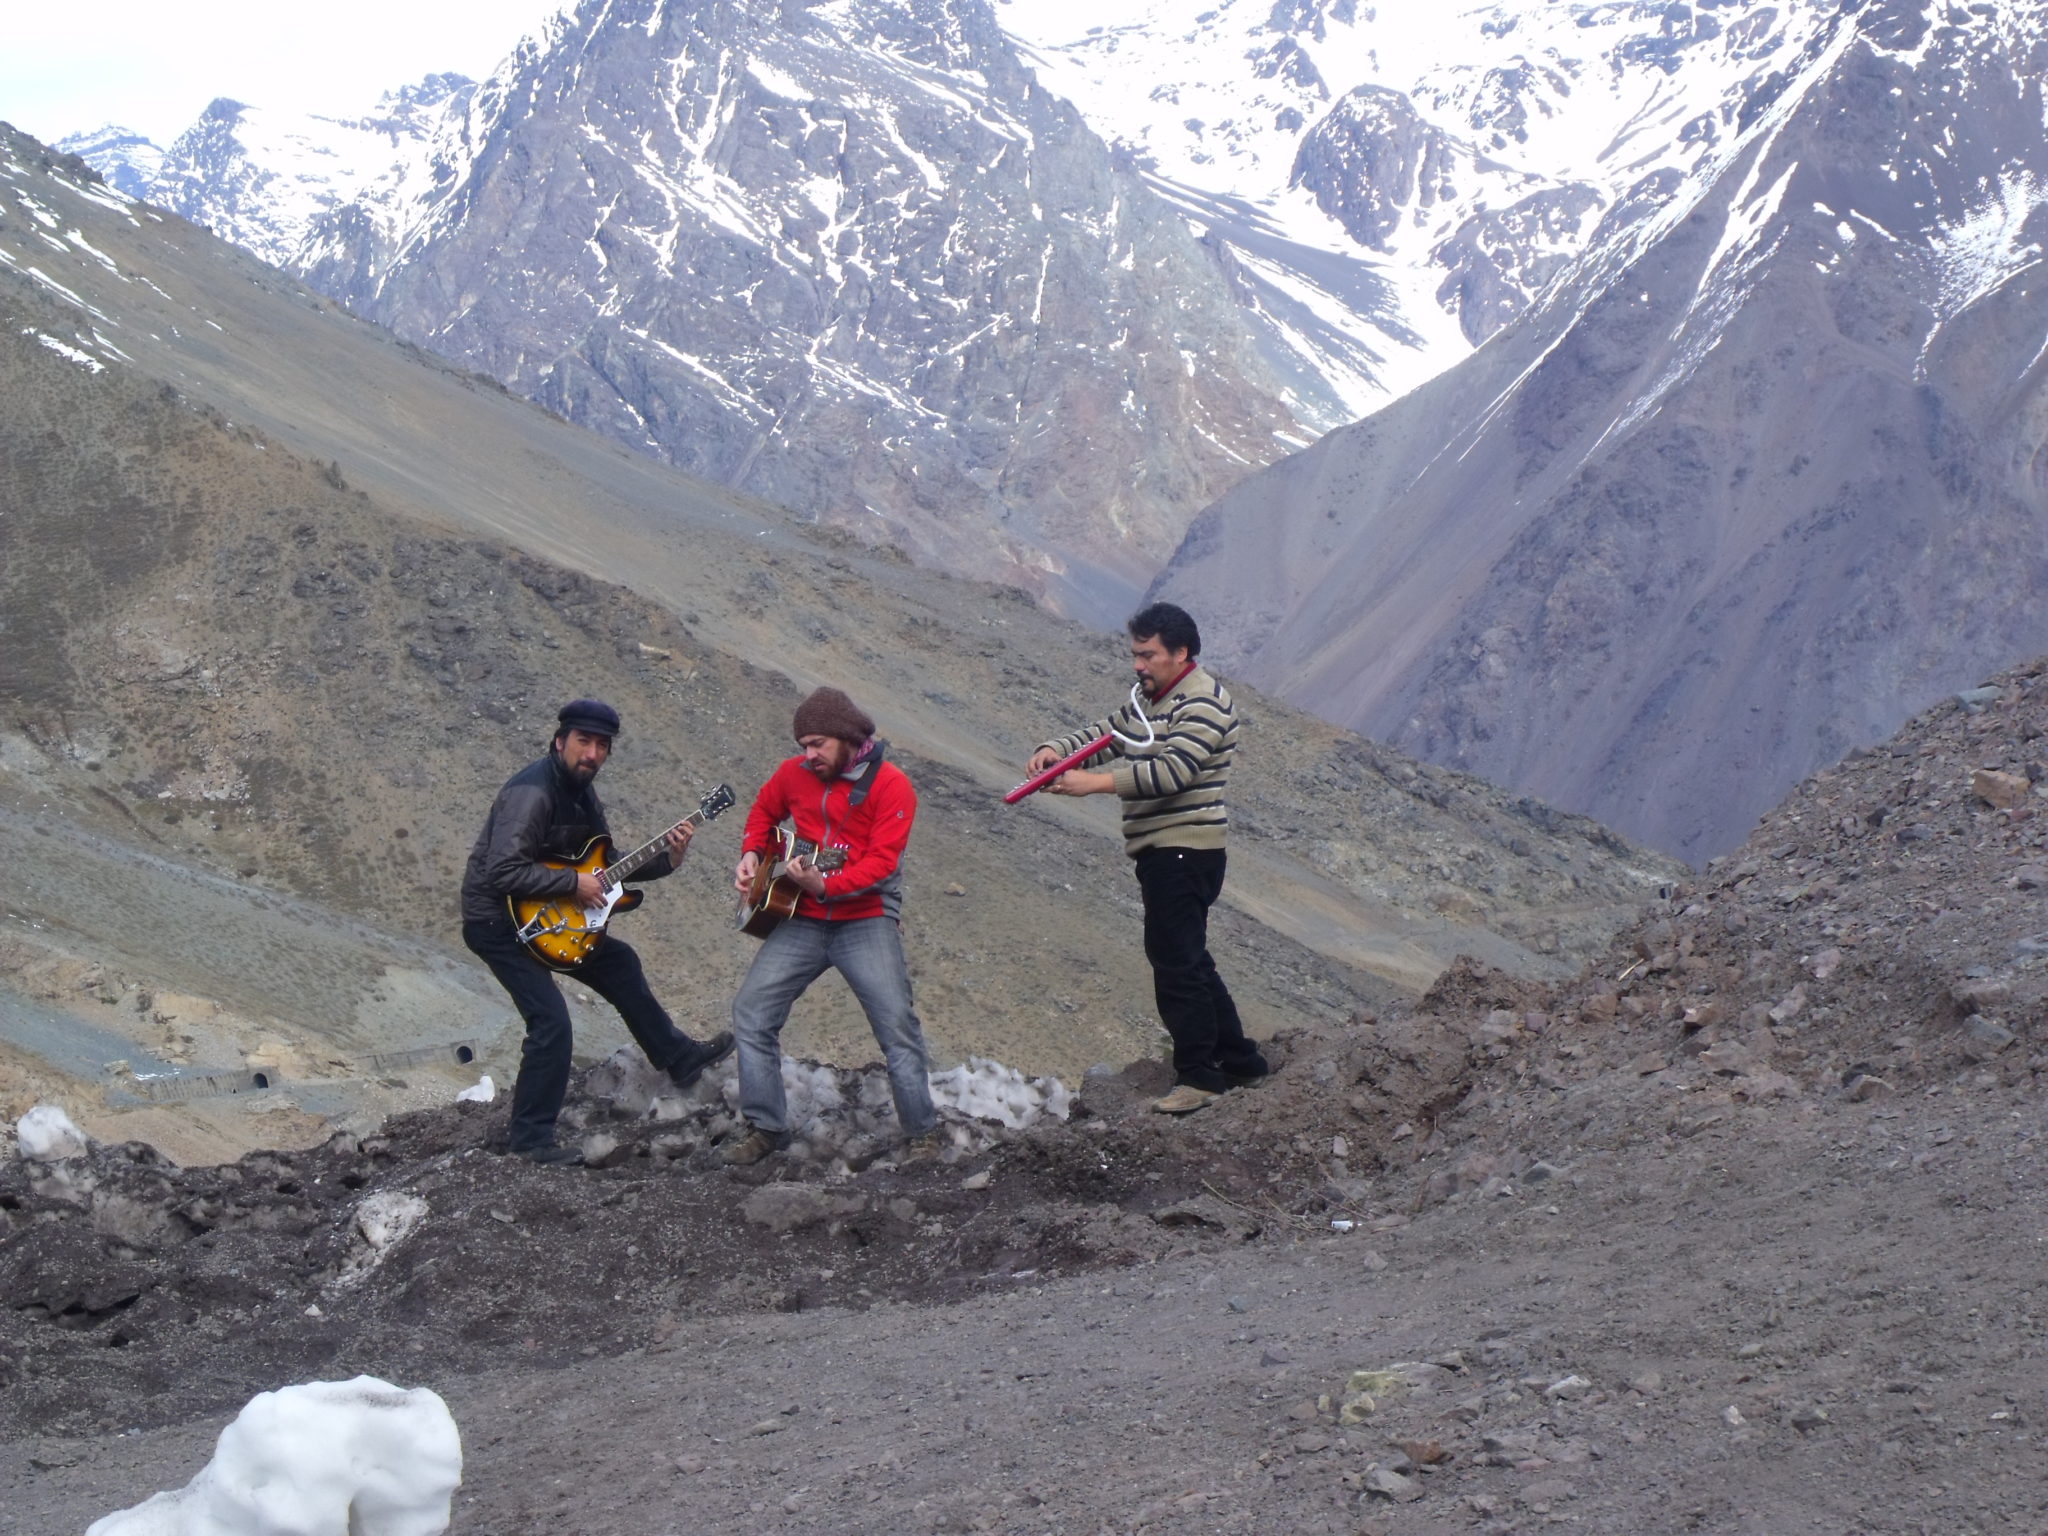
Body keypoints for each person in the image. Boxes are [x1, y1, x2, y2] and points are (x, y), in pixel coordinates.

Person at [460, 699, 733, 1165]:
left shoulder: (582, 793)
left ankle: (678, 1056)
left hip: (550, 918)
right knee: (550, 1023)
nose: (591, 753)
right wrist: (571, 883)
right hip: (496, 922)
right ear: (560, 741)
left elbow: (605, 868)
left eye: (601, 746)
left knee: (619, 962)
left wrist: (669, 859)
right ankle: (529, 1143)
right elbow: (503, 869)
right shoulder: (533, 793)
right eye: (583, 741)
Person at [1028, 602, 1267, 1114]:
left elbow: (1173, 771)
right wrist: (1057, 750)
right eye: (1135, 653)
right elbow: (1109, 734)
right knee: (1191, 959)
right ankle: (1241, 1061)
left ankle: (1200, 1077)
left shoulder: (1201, 702)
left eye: (1148, 654)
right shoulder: (1152, 698)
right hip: (1166, 849)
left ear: (1180, 653)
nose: (1138, 664)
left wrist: (1094, 783)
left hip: (1184, 849)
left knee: (1175, 965)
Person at [725, 687, 938, 1165]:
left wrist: (826, 885)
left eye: (818, 743)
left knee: (897, 1028)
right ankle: (766, 1127)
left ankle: (923, 1136)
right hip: (802, 916)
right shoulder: (792, 775)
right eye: (803, 745)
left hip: (864, 920)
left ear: (847, 738)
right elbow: (763, 813)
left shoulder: (892, 786)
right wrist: (751, 854)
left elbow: (883, 863)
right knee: (752, 1013)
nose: (809, 755)